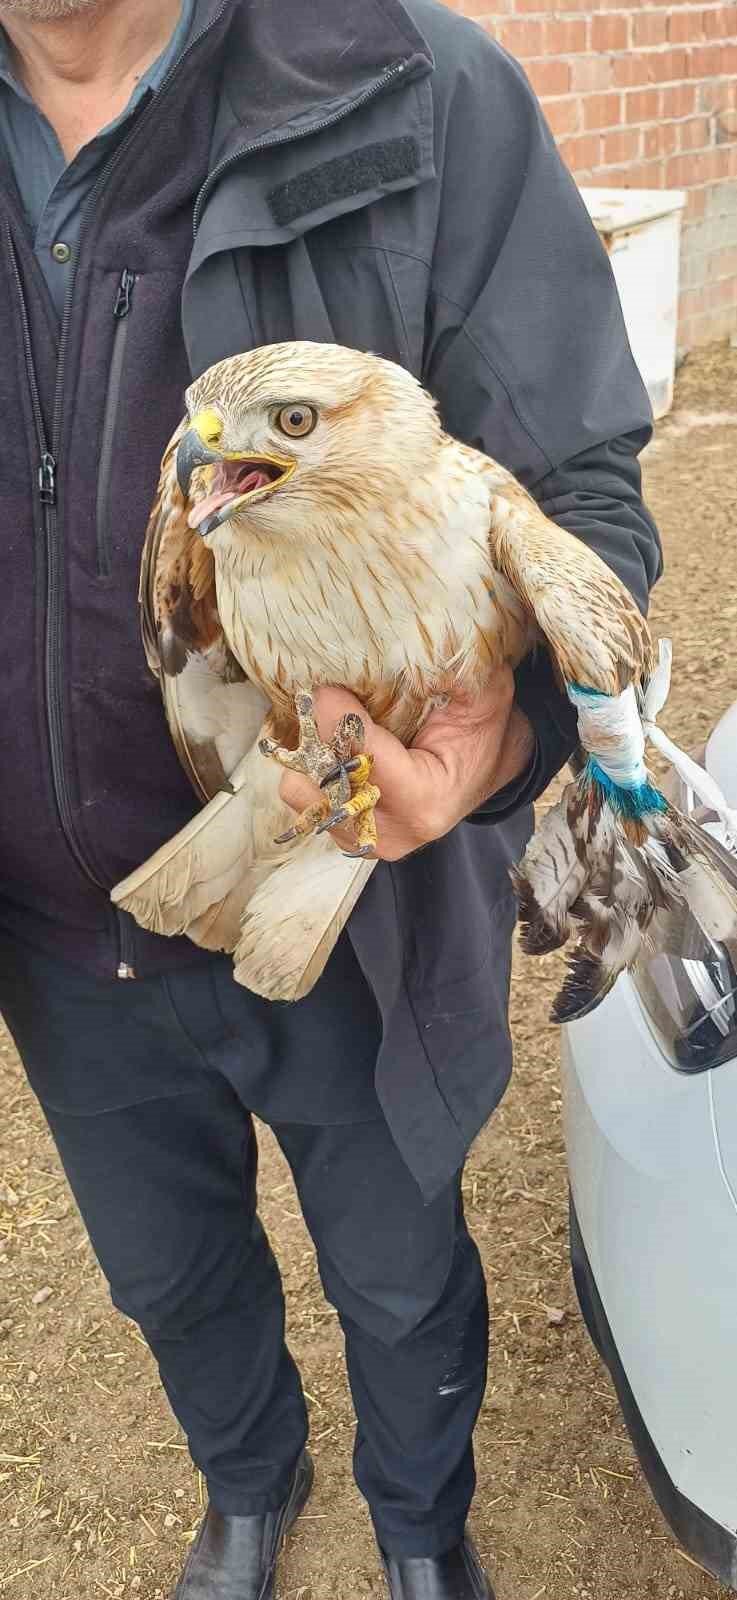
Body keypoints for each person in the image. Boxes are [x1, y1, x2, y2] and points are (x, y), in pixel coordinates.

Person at [0, 1, 662, 1596]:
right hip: (56, 922)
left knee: (397, 1273)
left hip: (356, 901)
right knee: (168, 1275)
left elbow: (577, 493)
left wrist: (491, 752)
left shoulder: (409, 81)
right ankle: (248, 1489)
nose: (208, 461)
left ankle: (421, 1534)